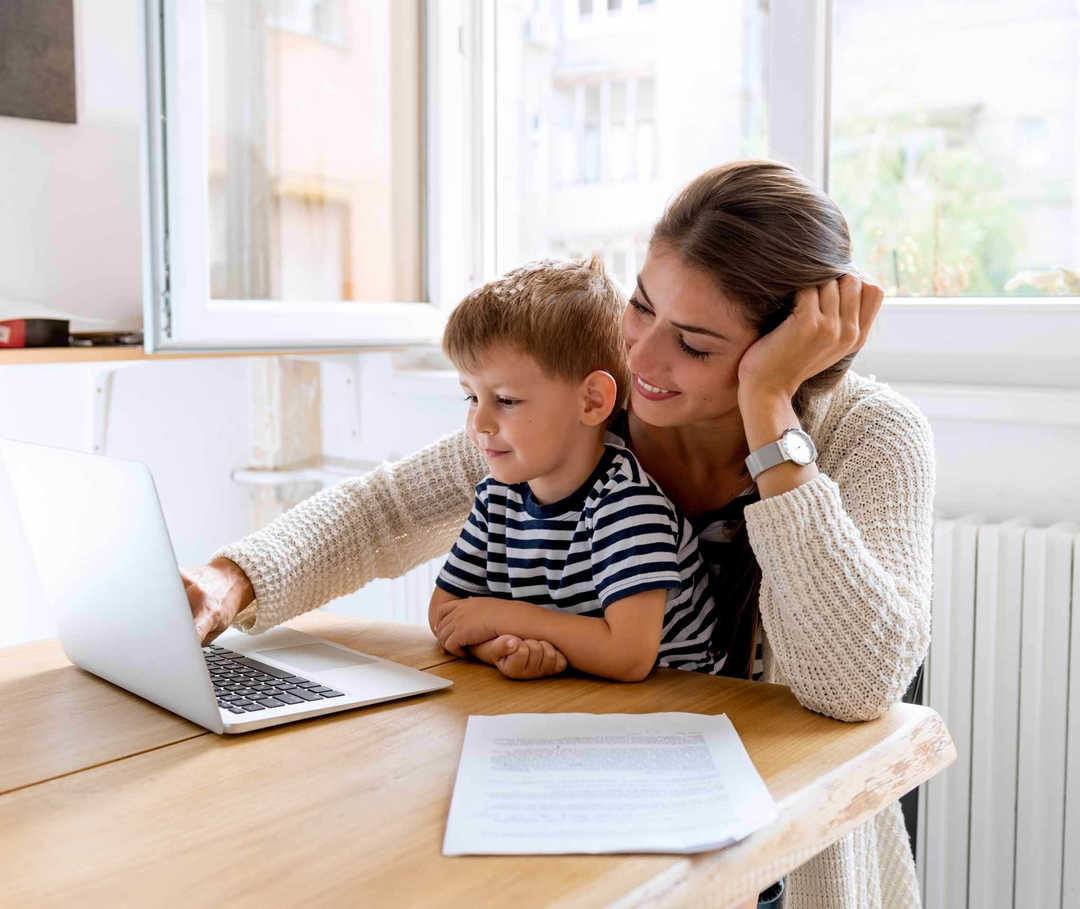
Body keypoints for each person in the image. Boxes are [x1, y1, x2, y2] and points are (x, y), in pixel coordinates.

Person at [183, 160, 934, 909]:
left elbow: (855, 685)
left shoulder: (871, 436)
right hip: (591, 816)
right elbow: (389, 508)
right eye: (641, 307)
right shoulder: (592, 403)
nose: (640, 358)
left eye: (695, 345)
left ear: (793, 349)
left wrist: (770, 408)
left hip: (771, 865)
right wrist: (229, 583)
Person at [428, 256, 719, 682]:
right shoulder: (497, 498)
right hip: (578, 707)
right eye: (471, 397)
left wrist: (501, 616)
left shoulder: (628, 506)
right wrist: (499, 646)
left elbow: (628, 656)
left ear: (592, 401)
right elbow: (447, 615)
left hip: (674, 714)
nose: (479, 423)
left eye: (506, 400)